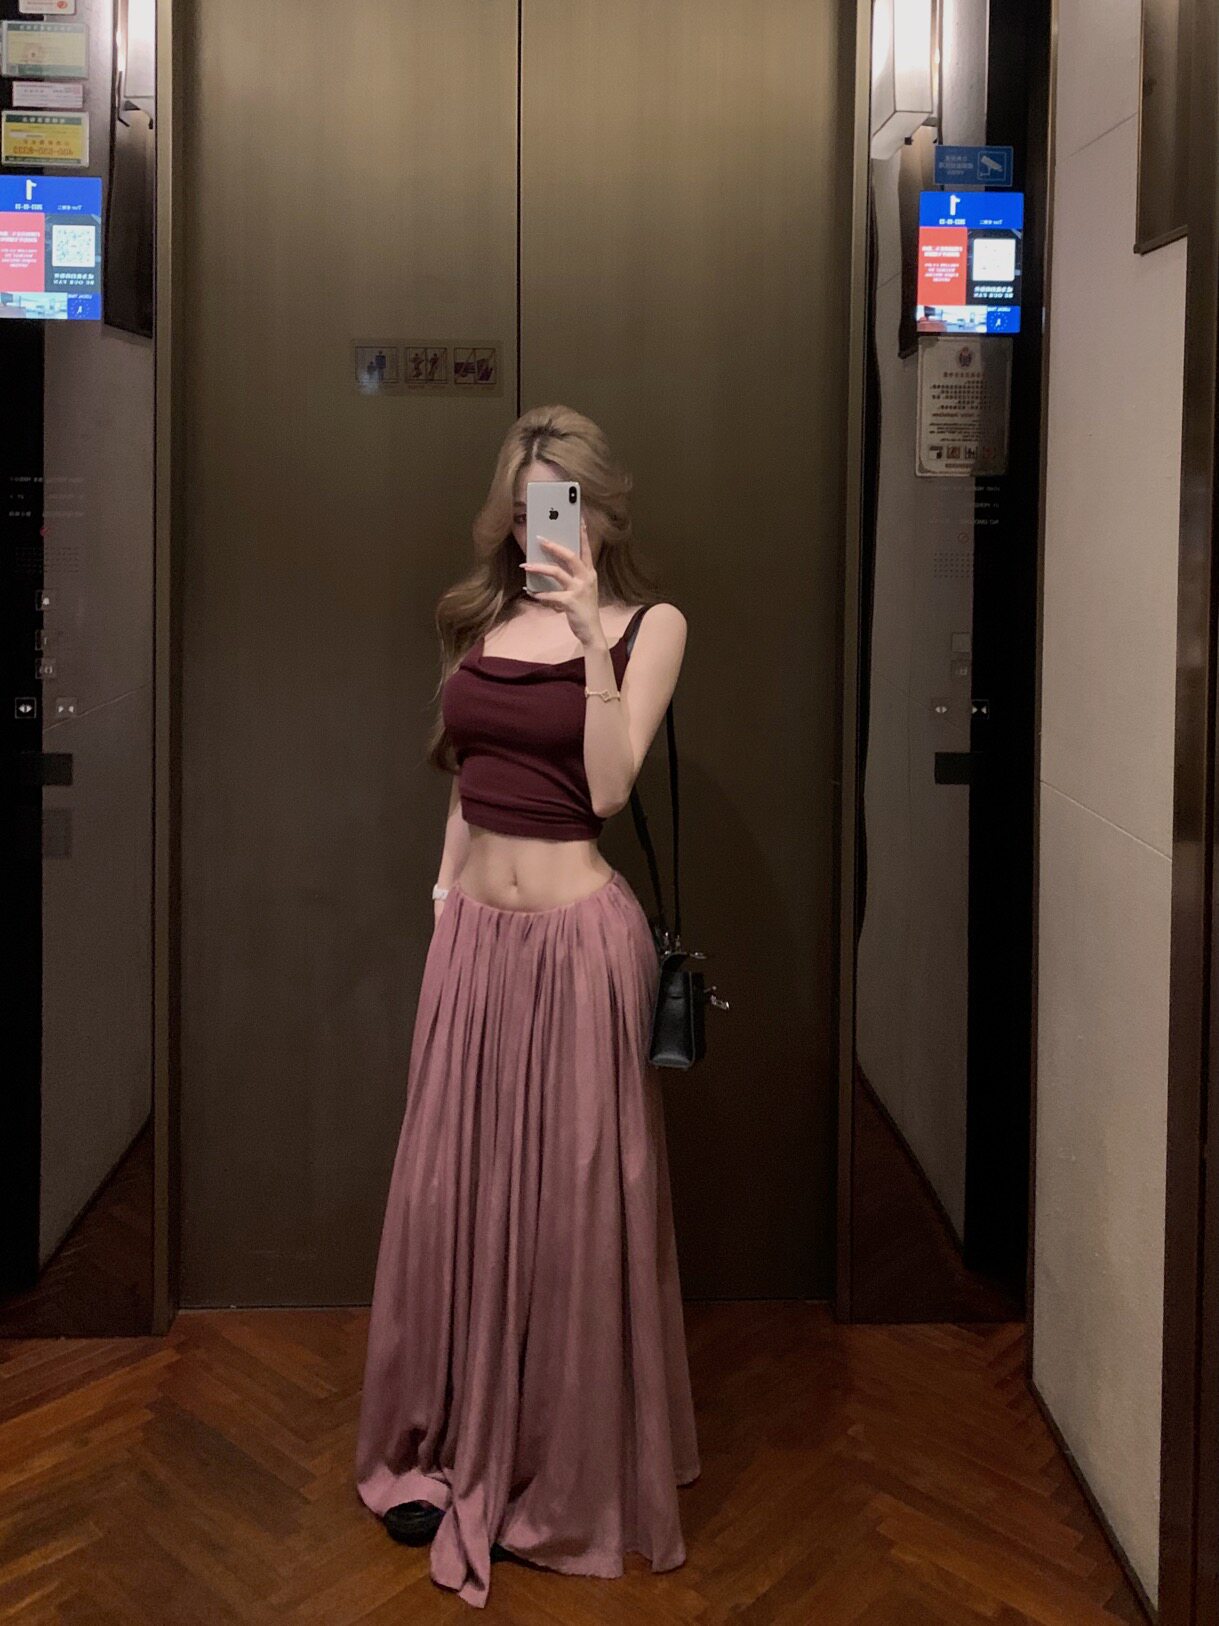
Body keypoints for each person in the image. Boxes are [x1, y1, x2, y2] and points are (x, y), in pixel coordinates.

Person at [353, 404, 701, 1608]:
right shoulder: (481, 621)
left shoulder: (651, 626)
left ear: (602, 508)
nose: (536, 522)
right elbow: (468, 776)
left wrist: (592, 634)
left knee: (566, 1209)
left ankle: (554, 1467)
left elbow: (603, 787)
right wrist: (444, 898)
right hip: (476, 945)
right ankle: (444, 1442)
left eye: (560, 500)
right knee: (448, 1193)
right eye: (521, 501)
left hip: (577, 948)